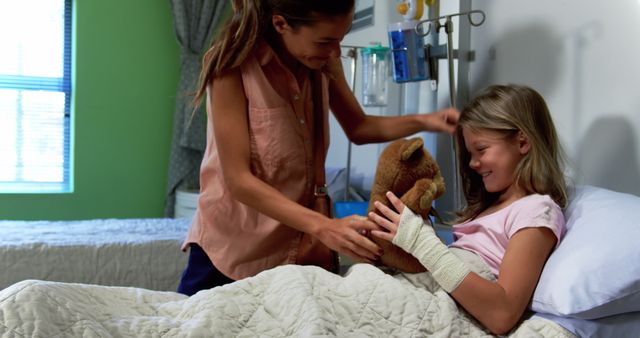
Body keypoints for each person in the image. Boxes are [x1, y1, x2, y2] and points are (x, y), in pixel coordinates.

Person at [177, 0, 459, 296]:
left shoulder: (321, 60)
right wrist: (324, 226)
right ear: (281, 24)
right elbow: (239, 181)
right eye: (326, 41)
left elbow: (359, 128)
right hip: (234, 247)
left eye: (340, 39)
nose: (335, 52)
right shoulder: (233, 66)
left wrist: (430, 120)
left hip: (299, 244)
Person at [369, 84, 567, 335]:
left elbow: (502, 314)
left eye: (481, 150)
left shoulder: (537, 211)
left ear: (523, 142)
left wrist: (421, 242)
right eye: (471, 153)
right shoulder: (489, 208)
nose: (473, 163)